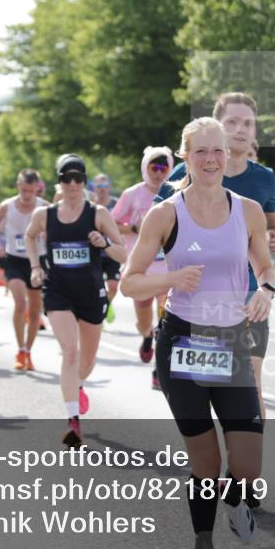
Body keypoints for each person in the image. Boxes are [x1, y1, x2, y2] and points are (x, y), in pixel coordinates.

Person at [121, 118, 275, 549]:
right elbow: (130, 282)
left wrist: (265, 291)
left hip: (231, 341)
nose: (212, 160)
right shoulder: (165, 214)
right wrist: (170, 278)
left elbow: (265, 266)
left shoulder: (248, 210)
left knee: (247, 467)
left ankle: (235, 499)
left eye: (219, 151)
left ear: (229, 156)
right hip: (182, 341)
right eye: (202, 152)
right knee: (205, 461)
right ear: (186, 157)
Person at [159, 93, 275, 425]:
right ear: (218, 125)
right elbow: (161, 232)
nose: (241, 130)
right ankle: (208, 458)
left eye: (248, 123)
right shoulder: (187, 172)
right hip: (194, 304)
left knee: (251, 380)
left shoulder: (264, 178)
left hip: (246, 298)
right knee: (201, 390)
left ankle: (244, 466)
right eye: (232, 122)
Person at [27, 155, 127, 447]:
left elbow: (123, 254)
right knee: (69, 352)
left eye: (77, 178)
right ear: (59, 182)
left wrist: (105, 244)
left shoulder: (98, 214)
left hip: (91, 293)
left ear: (84, 182)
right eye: (66, 178)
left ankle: (78, 384)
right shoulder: (44, 215)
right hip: (58, 291)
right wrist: (35, 266)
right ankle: (73, 422)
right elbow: (30, 236)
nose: (72, 184)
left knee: (87, 358)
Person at [113, 146, 175, 382]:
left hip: (168, 268)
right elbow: (113, 222)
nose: (159, 173)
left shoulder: (176, 193)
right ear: (145, 168)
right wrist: (133, 228)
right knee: (143, 320)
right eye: (154, 167)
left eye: (163, 167)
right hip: (141, 269)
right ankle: (147, 336)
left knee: (165, 318)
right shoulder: (132, 194)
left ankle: (158, 371)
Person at [0, 169, 49, 371]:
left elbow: (56, 228)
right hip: (14, 259)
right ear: (18, 186)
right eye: (24, 190)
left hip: (37, 261)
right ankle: (20, 348)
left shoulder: (44, 207)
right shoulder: (7, 206)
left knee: (34, 311)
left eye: (31, 191)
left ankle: (28, 352)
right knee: (19, 302)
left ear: (37, 189)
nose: (27, 195)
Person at [91, 173, 120, 324]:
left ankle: (106, 305)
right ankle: (97, 310)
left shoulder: (117, 204)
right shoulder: (89, 205)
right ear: (93, 187)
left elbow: (124, 224)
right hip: (95, 253)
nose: (102, 189)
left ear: (109, 187)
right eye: (98, 186)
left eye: (104, 186)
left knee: (113, 287)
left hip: (112, 252)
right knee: (94, 288)